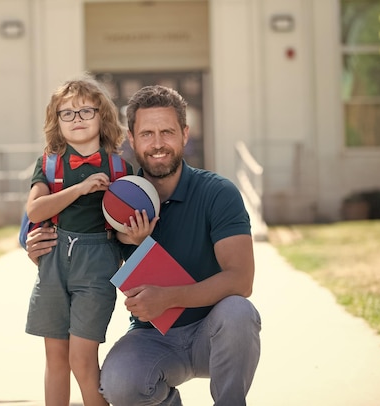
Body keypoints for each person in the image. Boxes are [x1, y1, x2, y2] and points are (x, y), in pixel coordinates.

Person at [25, 85, 261, 406]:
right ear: (132, 139)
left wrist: (169, 297)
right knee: (118, 382)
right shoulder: (115, 196)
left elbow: (241, 281)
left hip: (212, 334)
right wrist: (39, 245)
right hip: (155, 337)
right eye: (147, 133)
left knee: (238, 312)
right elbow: (70, 230)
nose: (158, 143)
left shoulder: (218, 193)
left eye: (167, 132)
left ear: (185, 134)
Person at [24, 76, 134, 406]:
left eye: (86, 111)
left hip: (97, 264)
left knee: (82, 361)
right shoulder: (49, 163)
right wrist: (80, 189)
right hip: (55, 261)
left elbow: (129, 225)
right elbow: (35, 208)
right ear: (56, 122)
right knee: (56, 359)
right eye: (67, 113)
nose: (77, 119)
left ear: (103, 117)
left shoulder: (119, 167)